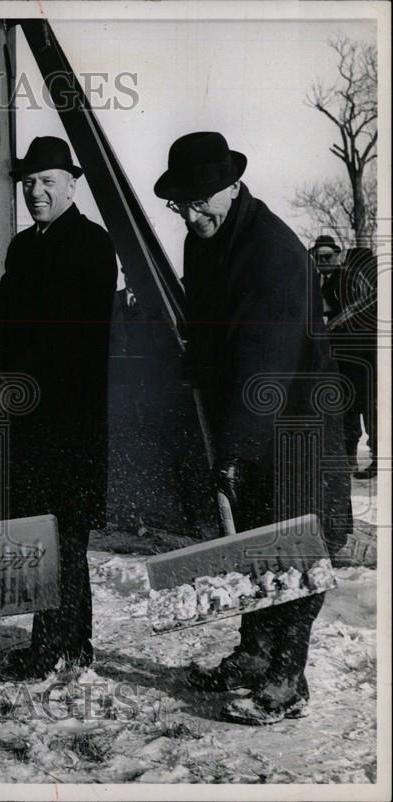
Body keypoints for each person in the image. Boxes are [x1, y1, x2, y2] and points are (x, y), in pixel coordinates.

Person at [154, 131, 351, 724]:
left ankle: (288, 678)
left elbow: (264, 360)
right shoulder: (207, 239)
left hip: (295, 423)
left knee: (295, 545)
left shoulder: (270, 251)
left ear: (232, 186)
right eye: (181, 205)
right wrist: (194, 362)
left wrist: (234, 449)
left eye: (202, 200)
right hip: (248, 414)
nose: (192, 215)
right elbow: (211, 327)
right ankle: (254, 651)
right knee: (254, 543)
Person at [0, 135, 117, 681]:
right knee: (45, 535)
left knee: (64, 536)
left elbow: (54, 326)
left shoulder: (91, 245)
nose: (36, 191)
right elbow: (12, 303)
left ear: (71, 185)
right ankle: (69, 644)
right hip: (30, 420)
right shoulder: (25, 246)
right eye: (29, 183)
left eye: (47, 182)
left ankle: (54, 646)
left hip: (70, 420)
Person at [326, 245, 378, 479]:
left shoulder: (369, 287)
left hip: (366, 358)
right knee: (354, 410)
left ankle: (366, 460)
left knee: (369, 411)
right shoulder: (343, 282)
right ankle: (351, 460)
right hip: (352, 359)